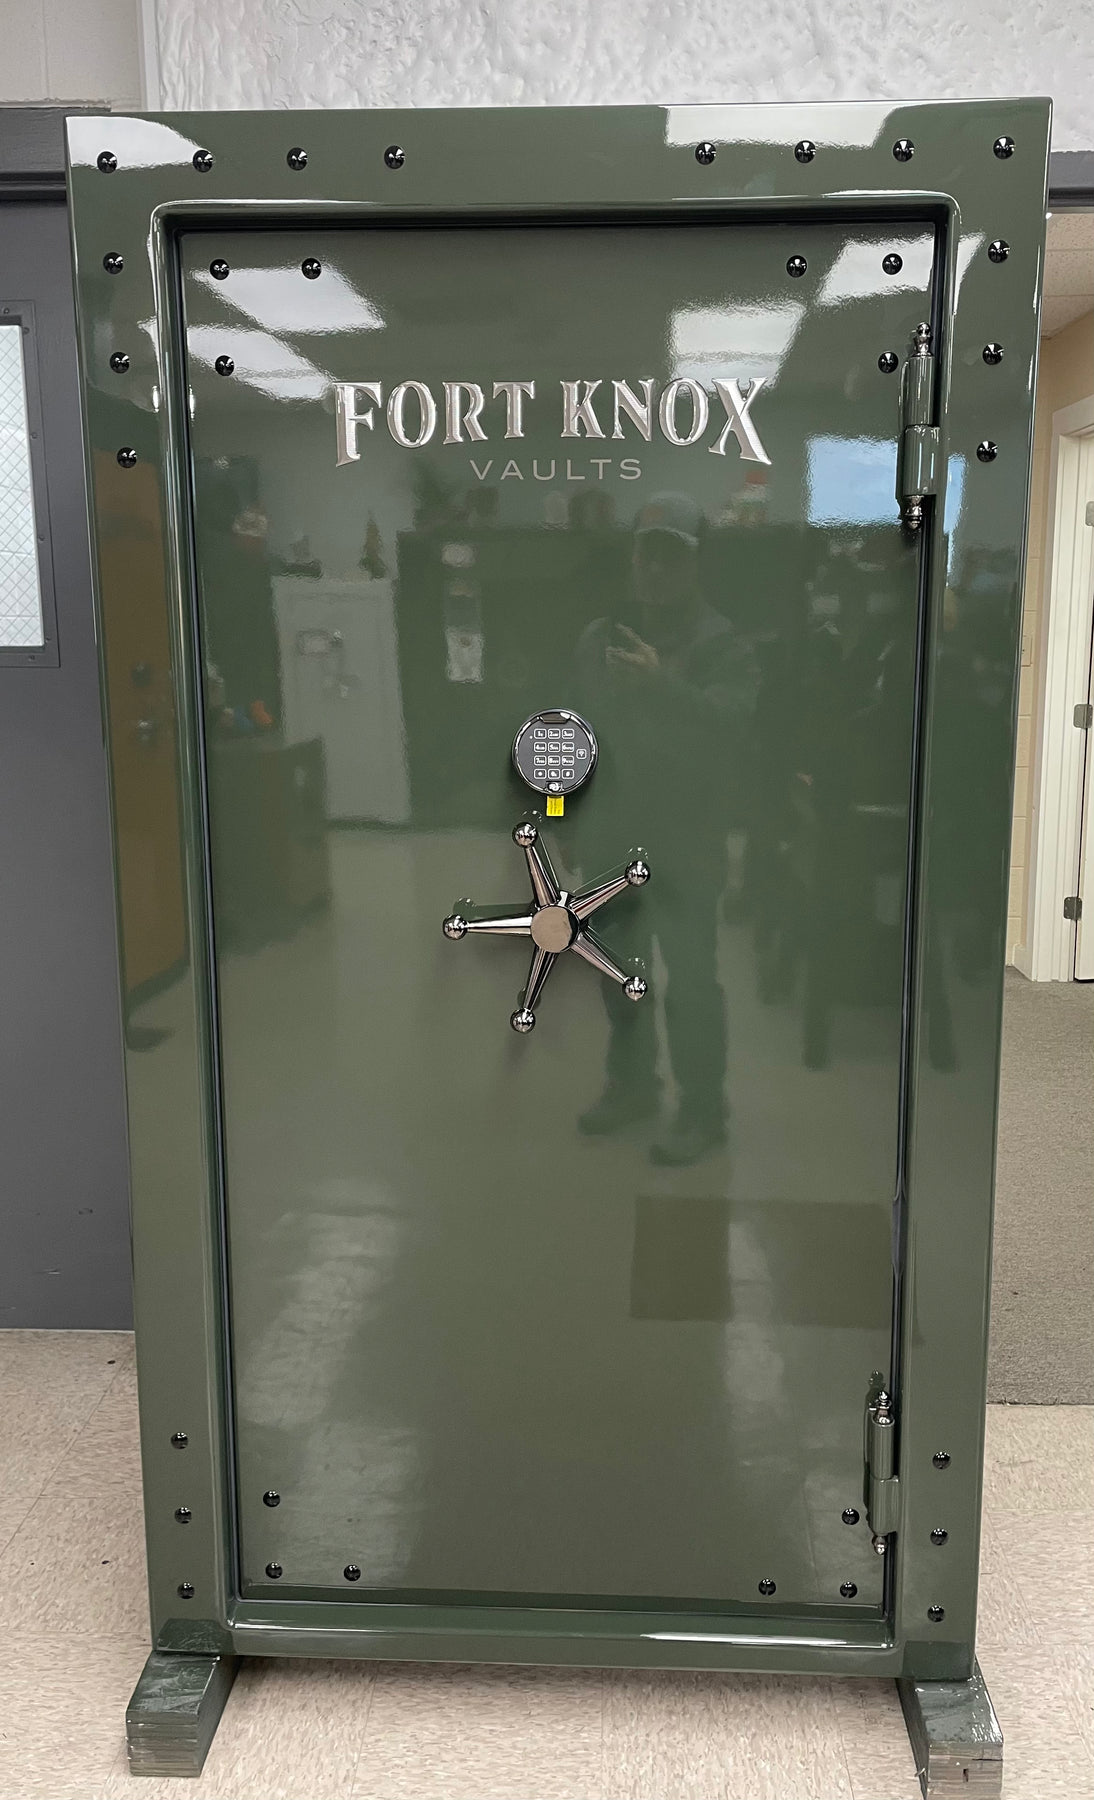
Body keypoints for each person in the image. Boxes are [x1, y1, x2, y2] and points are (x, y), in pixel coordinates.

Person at [573, 493, 758, 1165]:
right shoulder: (599, 638)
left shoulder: (724, 645)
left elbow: (731, 728)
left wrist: (661, 686)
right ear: (632, 559)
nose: (655, 569)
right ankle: (632, 1088)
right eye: (646, 554)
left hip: (686, 844)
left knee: (692, 984)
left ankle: (704, 1112)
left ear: (695, 564)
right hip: (609, 838)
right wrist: (562, 819)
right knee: (619, 974)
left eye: (671, 557)